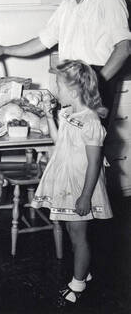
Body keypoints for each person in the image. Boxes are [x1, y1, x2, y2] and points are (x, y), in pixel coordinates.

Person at [0, 0, 131, 126]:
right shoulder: (67, 5)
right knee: (70, 146)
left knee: (91, 148)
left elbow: (124, 48)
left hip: (96, 79)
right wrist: (4, 49)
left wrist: (95, 85)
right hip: (69, 83)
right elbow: (42, 41)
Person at [31, 60, 113, 306]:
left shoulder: (91, 122)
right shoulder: (67, 112)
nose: (55, 90)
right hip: (67, 178)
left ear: (74, 91)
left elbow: (95, 163)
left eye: (58, 85)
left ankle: (78, 283)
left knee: (79, 236)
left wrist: (86, 196)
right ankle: (82, 270)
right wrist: (49, 116)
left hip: (81, 183)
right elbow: (59, 141)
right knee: (70, 229)